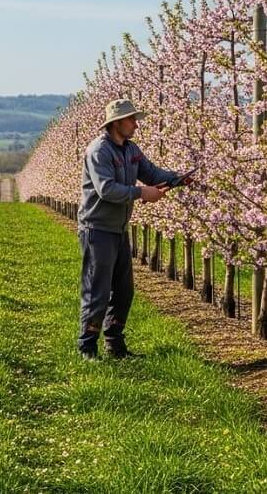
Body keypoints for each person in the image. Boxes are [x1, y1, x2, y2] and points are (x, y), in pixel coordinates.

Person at [76, 98, 194, 360]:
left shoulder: (132, 151)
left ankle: (114, 344)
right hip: (97, 229)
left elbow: (151, 173)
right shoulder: (99, 151)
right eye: (132, 120)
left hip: (118, 229)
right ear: (117, 122)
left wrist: (178, 179)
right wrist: (142, 193)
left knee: (124, 289)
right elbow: (106, 190)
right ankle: (87, 347)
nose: (136, 125)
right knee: (98, 289)